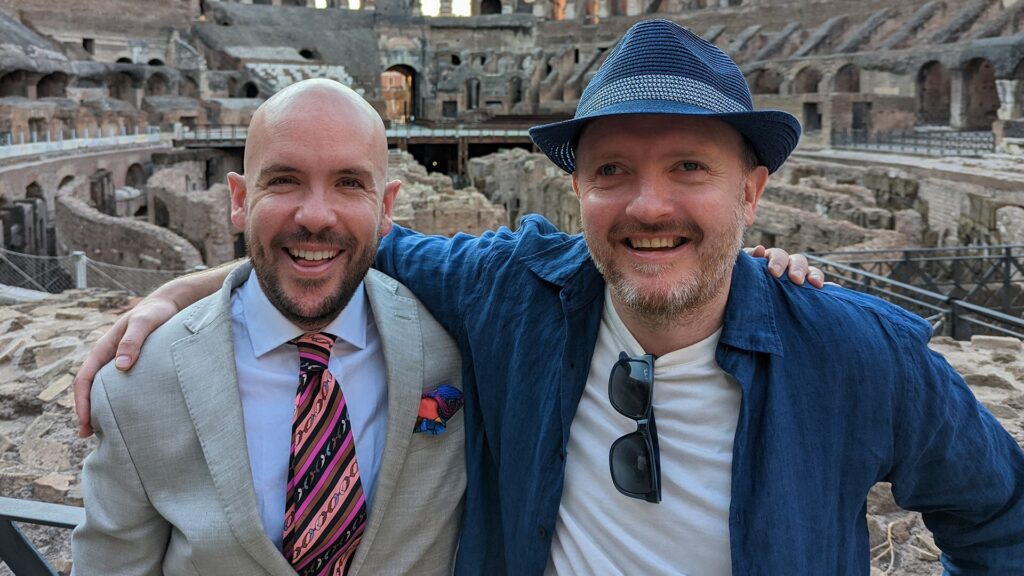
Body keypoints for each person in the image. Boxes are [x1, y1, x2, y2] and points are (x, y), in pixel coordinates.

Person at [77, 19, 1024, 574]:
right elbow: (340, 241)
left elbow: (1000, 516)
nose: (648, 204)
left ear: (751, 188)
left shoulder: (855, 353)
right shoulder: (515, 292)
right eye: (613, 169)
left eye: (689, 166)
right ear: (578, 190)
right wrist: (188, 291)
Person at [71, 80, 466, 575]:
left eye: (349, 183)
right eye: (283, 180)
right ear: (239, 199)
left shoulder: (454, 344)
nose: (316, 216)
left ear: (386, 207)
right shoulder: (140, 384)